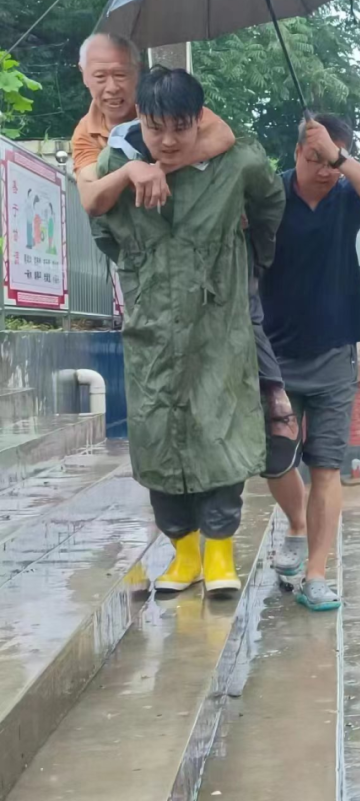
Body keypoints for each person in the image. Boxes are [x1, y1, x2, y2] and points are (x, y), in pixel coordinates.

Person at [93, 67, 286, 595]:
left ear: (200, 119)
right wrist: (140, 271)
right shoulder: (117, 165)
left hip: (217, 328)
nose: (169, 141)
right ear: (140, 119)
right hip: (152, 333)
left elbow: (270, 203)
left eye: (181, 127)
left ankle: (219, 556)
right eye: (156, 128)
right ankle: (184, 556)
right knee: (158, 440)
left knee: (221, 434)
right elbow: (101, 226)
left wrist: (251, 260)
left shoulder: (236, 162)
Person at [72, 32, 300, 478]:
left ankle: (274, 397)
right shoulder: (89, 137)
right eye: (100, 76)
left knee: (242, 320)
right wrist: (132, 171)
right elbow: (94, 204)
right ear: (83, 76)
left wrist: (165, 165)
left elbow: (225, 141)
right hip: (154, 278)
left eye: (121, 74)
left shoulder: (175, 100)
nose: (112, 87)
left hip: (215, 257)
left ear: (137, 74)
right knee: (164, 396)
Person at [260, 114, 360, 611]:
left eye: (332, 162)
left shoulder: (346, 198)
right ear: (296, 152)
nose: (323, 170)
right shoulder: (271, 196)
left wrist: (340, 160)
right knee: (274, 458)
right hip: (275, 352)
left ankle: (316, 574)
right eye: (314, 158)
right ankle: (297, 523)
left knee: (327, 466)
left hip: (335, 352)